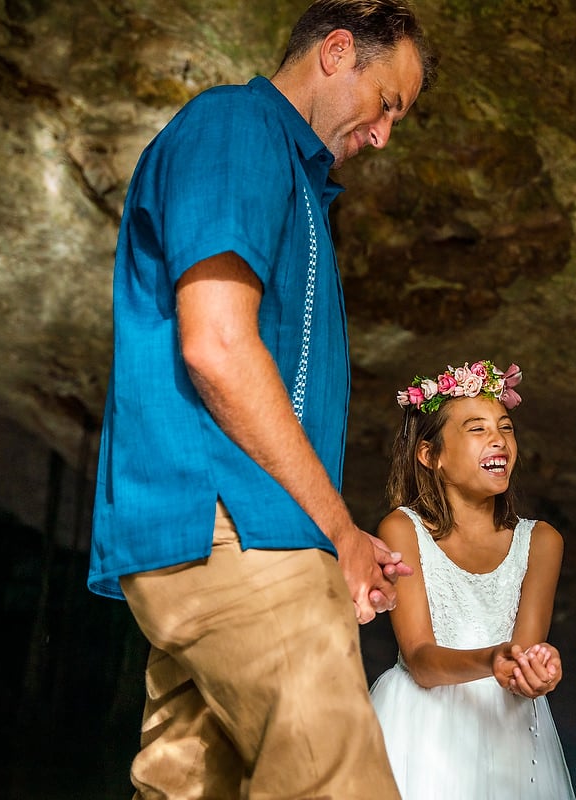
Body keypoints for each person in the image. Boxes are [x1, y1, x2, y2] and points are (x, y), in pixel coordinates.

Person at [85, 2, 437, 797]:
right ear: (338, 50)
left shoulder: (295, 182)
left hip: (234, 532)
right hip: (230, 529)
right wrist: (338, 528)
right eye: (388, 103)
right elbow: (215, 345)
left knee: (182, 786)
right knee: (337, 782)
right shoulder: (238, 126)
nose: (384, 135)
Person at [368, 359, 576, 799]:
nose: (499, 439)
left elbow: (525, 656)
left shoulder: (541, 541)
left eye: (506, 427)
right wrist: (493, 660)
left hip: (509, 730)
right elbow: (421, 660)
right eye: (477, 429)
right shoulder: (403, 530)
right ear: (431, 455)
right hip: (424, 729)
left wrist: (537, 673)